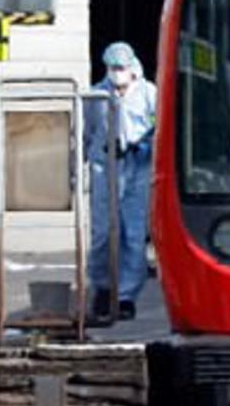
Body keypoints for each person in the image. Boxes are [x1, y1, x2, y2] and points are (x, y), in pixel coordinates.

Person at [83, 41, 157, 321]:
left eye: (121, 68)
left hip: (137, 168)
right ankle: (101, 287)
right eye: (112, 68)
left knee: (133, 235)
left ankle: (126, 295)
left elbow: (159, 127)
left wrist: (144, 147)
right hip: (106, 168)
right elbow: (86, 132)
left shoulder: (149, 94)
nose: (117, 73)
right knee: (102, 232)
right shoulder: (96, 96)